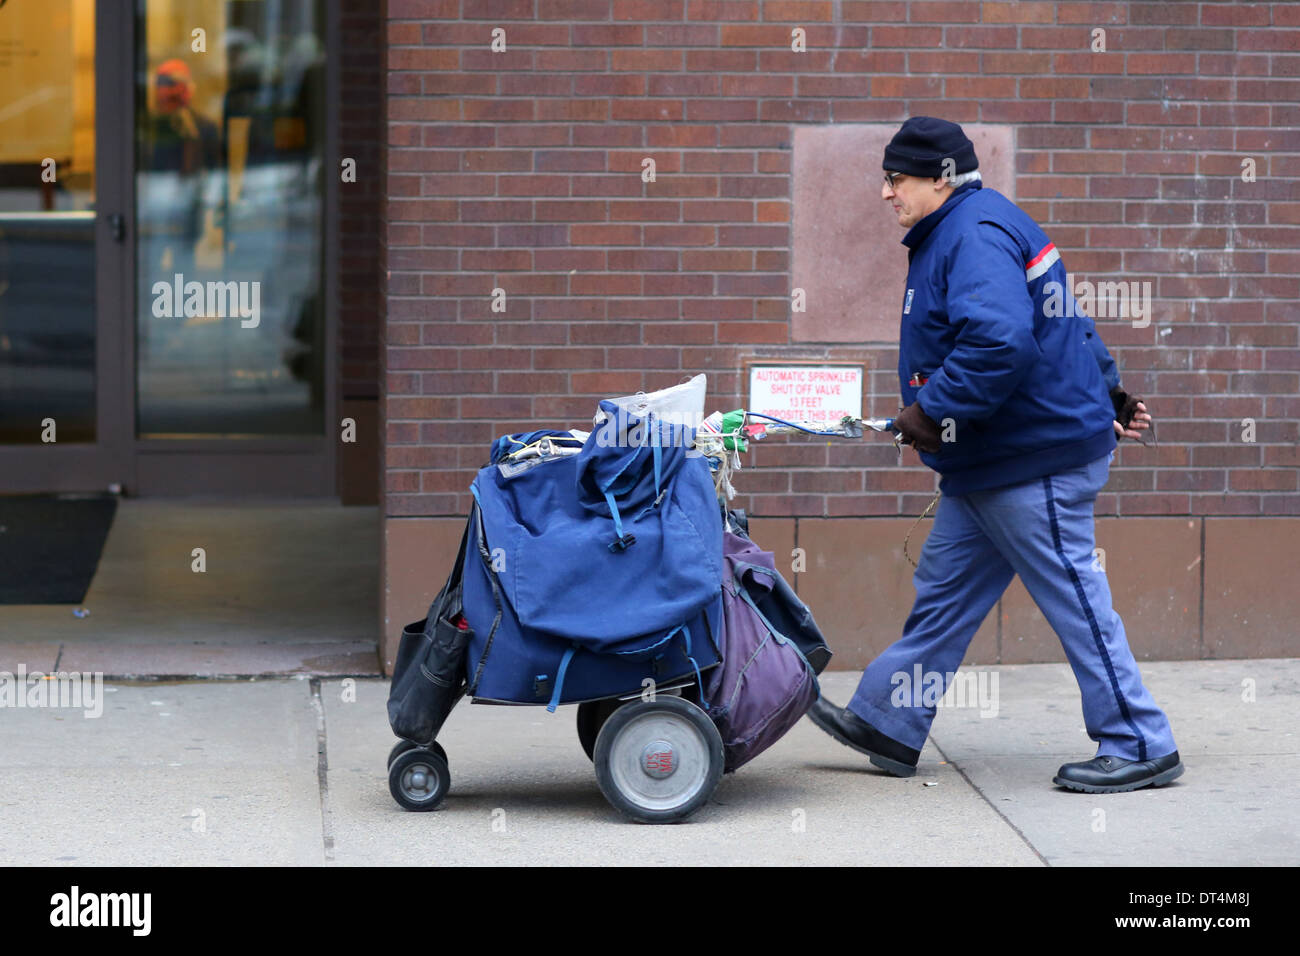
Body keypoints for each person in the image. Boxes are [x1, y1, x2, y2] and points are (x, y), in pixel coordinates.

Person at [807, 117, 1183, 794]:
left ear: (940, 179)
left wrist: (931, 412)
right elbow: (1064, 317)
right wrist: (1109, 392)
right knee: (945, 596)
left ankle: (1140, 741)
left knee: (1075, 596)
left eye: (896, 179)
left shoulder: (972, 234)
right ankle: (889, 720)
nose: (886, 193)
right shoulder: (981, 224)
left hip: (1031, 460)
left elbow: (1000, 341)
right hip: (992, 462)